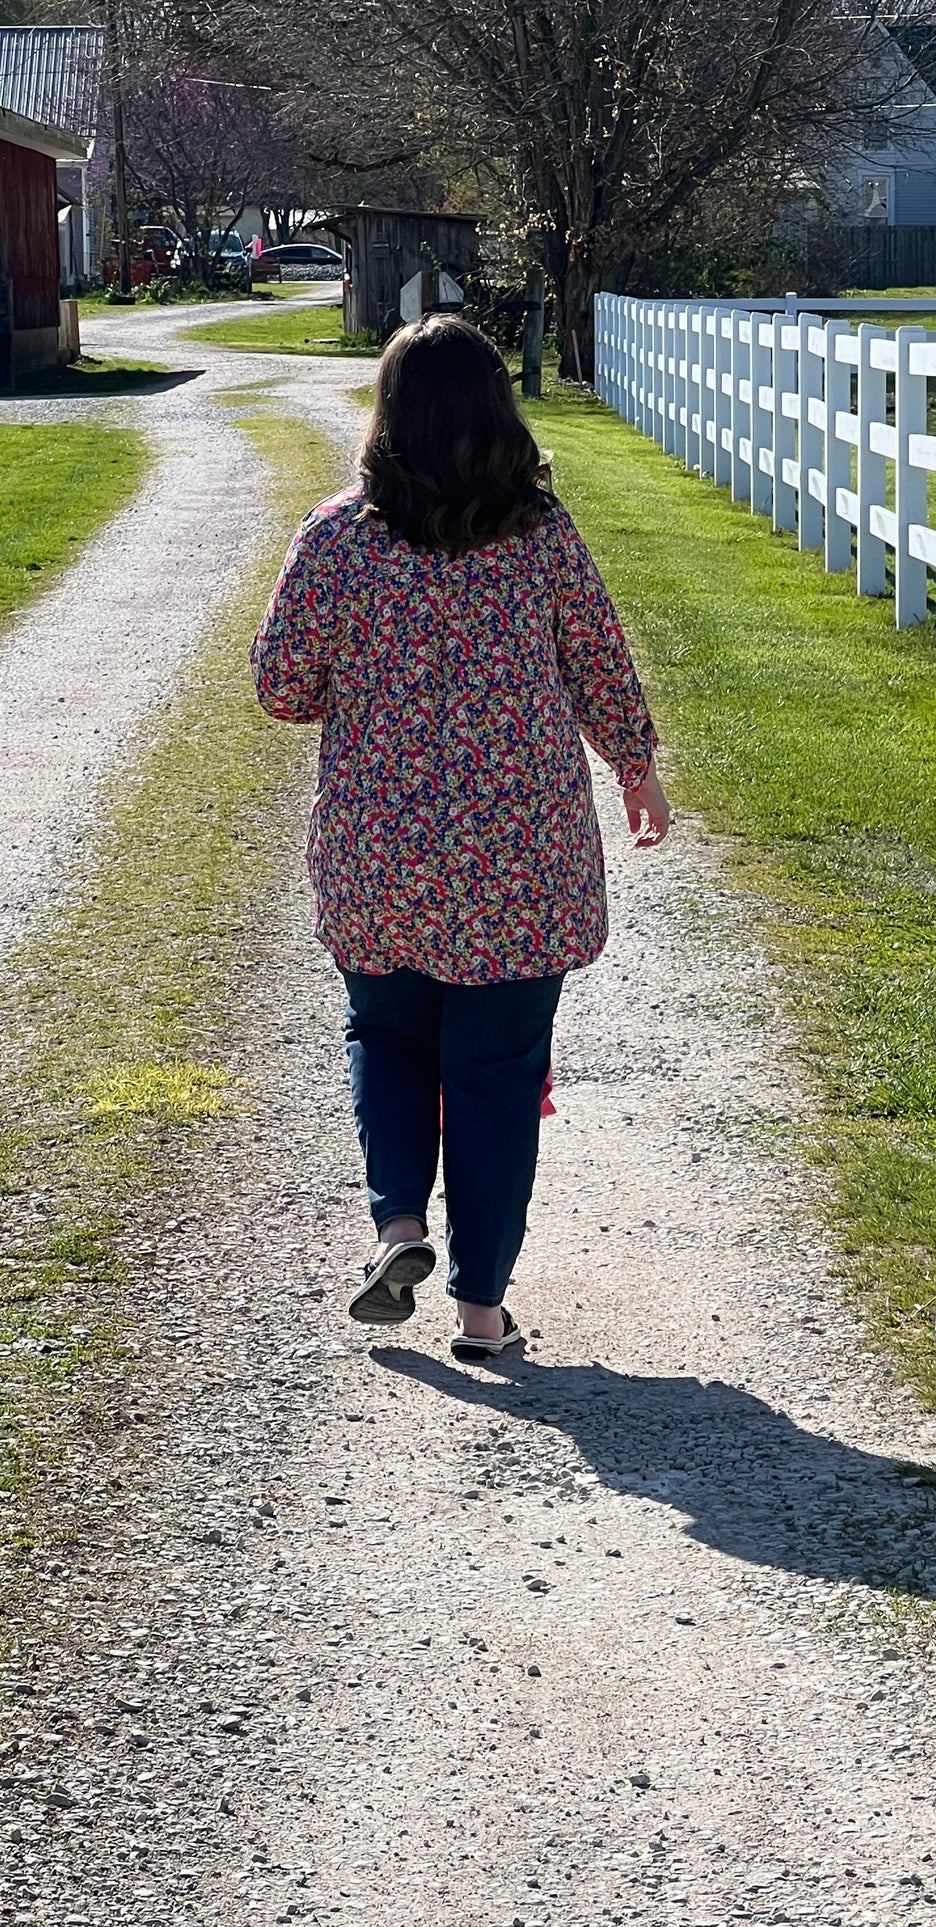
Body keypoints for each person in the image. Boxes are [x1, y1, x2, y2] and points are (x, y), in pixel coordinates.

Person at [251, 314, 669, 1361]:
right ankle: (481, 1312)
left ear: (387, 416)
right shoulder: (540, 535)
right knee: (494, 1074)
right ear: (498, 412)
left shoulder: (337, 536)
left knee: (386, 1036)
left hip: (379, 852)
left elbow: (279, 687)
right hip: (517, 859)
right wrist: (636, 766)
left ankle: (399, 1225)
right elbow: (597, 661)